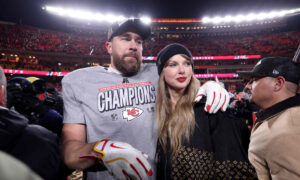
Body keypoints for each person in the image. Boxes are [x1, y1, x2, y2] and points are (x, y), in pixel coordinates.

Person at [61, 19, 230, 180]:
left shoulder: (157, 73)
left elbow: (185, 78)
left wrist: (209, 86)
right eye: (125, 39)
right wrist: (100, 150)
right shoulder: (78, 81)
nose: (133, 46)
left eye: (139, 41)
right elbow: (70, 153)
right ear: (109, 46)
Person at [155, 43, 257, 179]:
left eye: (187, 64)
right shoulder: (155, 112)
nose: (182, 70)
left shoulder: (212, 108)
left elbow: (234, 170)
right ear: (162, 71)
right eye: (173, 64)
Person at [238, 57, 300, 179]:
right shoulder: (277, 116)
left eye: (254, 80)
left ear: (278, 83)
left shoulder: (290, 128)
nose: (247, 87)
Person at [0, 66, 62, 180]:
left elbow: (61, 126)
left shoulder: (39, 110)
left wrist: (41, 109)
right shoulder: (38, 136)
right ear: (3, 92)